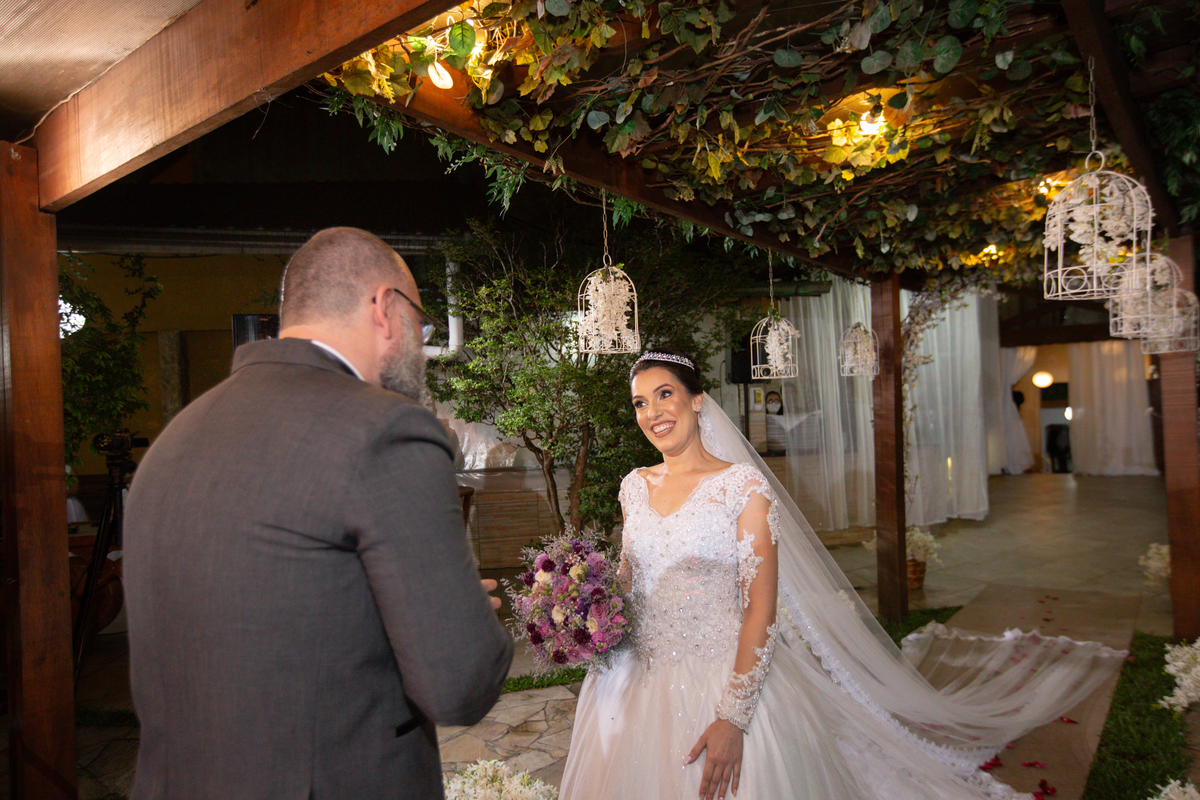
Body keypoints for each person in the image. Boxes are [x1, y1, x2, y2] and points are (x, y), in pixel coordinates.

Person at [560, 351, 1126, 800]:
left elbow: (761, 607)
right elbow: (630, 578)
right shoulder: (635, 484)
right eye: (640, 403)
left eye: (665, 395)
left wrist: (731, 716)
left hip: (719, 675)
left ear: (697, 401)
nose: (654, 413)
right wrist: (586, 617)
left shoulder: (742, 488)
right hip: (633, 678)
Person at [124, 227, 514, 800]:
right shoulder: (384, 430)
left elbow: (275, 618)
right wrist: (460, 614)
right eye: (421, 324)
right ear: (385, 309)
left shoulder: (175, 439)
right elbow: (458, 684)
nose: (420, 343)